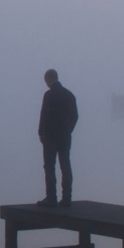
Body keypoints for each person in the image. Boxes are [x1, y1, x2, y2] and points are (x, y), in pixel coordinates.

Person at [37, 69, 78, 207]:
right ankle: (67, 198)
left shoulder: (49, 95)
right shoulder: (69, 95)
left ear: (48, 80)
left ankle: (51, 198)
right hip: (65, 136)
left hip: (50, 137)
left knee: (49, 166)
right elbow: (75, 116)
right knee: (65, 165)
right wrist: (68, 130)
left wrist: (41, 133)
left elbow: (44, 116)